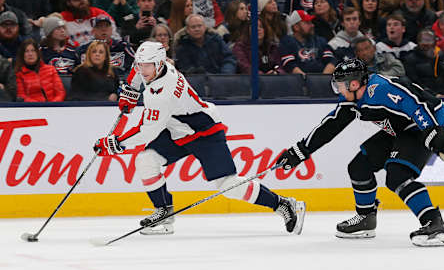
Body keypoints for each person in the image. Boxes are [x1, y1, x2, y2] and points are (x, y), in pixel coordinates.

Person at [94, 41, 306, 236]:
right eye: (141, 64)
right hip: (177, 130)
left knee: (227, 184)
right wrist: (130, 90)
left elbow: (147, 130)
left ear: (159, 64)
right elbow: (135, 72)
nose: (143, 70)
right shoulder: (158, 68)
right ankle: (164, 214)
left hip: (204, 132)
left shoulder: (162, 93)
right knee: (146, 160)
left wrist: (116, 144)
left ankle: (283, 204)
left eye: (147, 66)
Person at [276, 57, 444, 247]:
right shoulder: (353, 99)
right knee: (359, 167)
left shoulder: (380, 89)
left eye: (340, 86)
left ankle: (434, 224)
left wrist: (433, 133)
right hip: (400, 129)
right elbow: (331, 125)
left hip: (422, 128)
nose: (338, 90)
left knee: (397, 176)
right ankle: (366, 219)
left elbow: (416, 103)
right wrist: (299, 152)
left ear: (354, 84)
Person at [404, 28, 444, 97]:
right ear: (418, 42)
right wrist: (435, 95)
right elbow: (414, 84)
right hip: (426, 98)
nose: (425, 43)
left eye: (429, 40)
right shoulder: (410, 59)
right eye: (422, 40)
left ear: (435, 42)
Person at [280, 10, 337, 75]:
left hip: (321, 80)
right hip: (299, 82)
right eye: (307, 23)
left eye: (311, 22)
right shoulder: (287, 42)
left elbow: (331, 61)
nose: (312, 25)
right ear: (296, 27)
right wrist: (306, 80)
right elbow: (289, 64)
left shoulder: (320, 40)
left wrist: (323, 78)